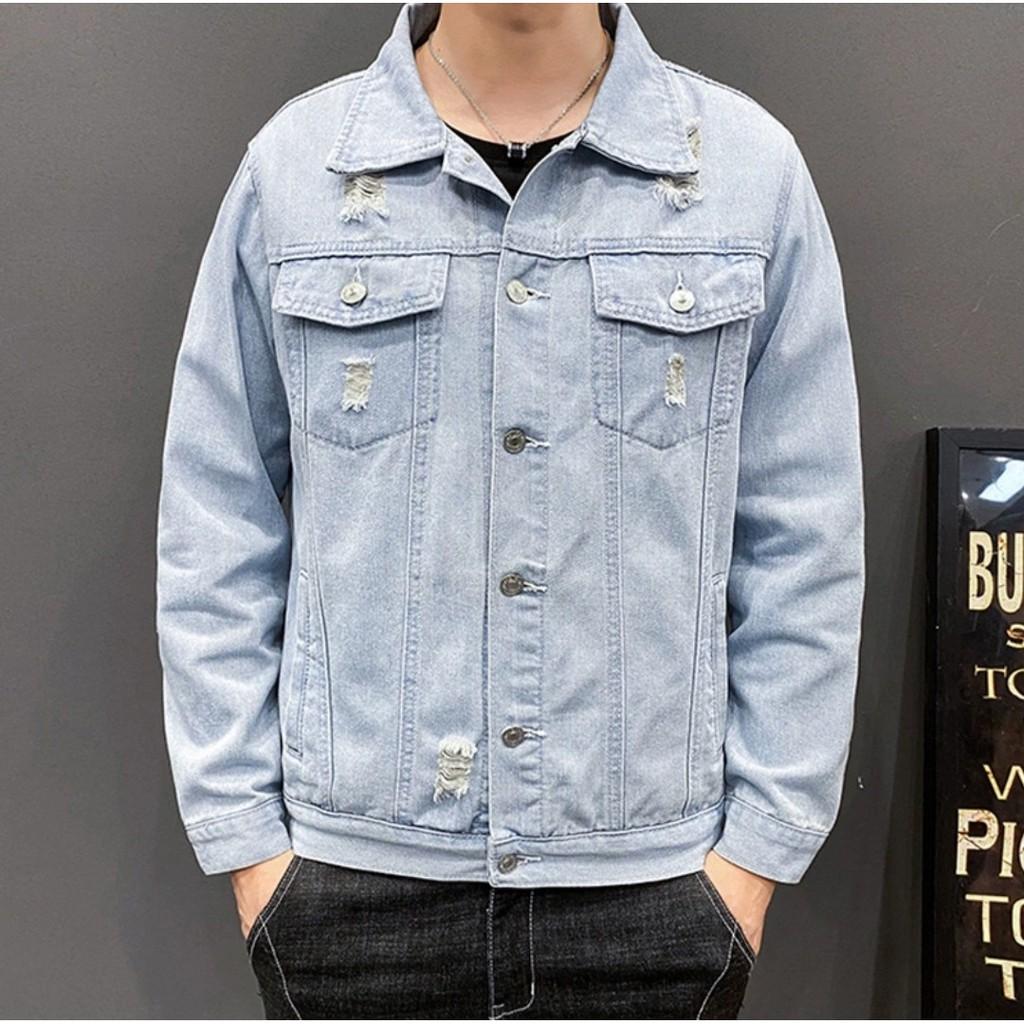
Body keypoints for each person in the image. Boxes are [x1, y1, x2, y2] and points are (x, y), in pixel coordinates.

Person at [155, 2, 866, 1018]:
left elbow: (805, 535)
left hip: (653, 893)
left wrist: (755, 855)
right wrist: (248, 845)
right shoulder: (300, 171)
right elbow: (214, 520)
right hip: (351, 895)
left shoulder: (744, 176)